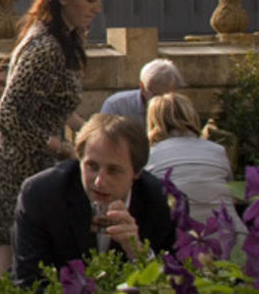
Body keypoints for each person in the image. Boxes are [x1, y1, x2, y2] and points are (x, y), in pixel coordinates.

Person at [0, 0, 116, 288]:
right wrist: (63, 147)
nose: (96, 8)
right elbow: (9, 117)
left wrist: (91, 132)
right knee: (10, 273)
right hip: (11, 172)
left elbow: (54, 106)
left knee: (20, 271)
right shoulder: (45, 47)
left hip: (28, 169)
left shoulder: (63, 36)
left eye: (100, 0)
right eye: (90, 0)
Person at [12, 114, 176, 287]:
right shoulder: (42, 195)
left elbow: (176, 282)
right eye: (92, 166)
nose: (99, 181)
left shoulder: (161, 201)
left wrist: (138, 252)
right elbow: (27, 281)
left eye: (113, 170)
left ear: (136, 173)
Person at [144, 93, 246, 234]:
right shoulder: (217, 151)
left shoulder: (149, 156)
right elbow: (231, 191)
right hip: (231, 235)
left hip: (181, 239)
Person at [101, 59, 186, 126]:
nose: (162, 101)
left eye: (168, 96)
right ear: (142, 86)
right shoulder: (117, 106)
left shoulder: (180, 108)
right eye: (156, 95)